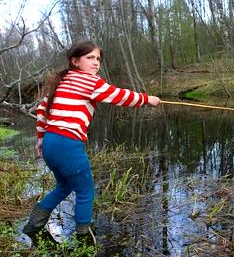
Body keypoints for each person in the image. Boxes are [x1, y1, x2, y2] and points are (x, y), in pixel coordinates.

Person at [23, 40, 161, 247]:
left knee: (64, 186)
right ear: (75, 61)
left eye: (98, 58)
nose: (96, 63)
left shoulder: (62, 82)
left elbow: (42, 110)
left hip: (52, 143)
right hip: (68, 143)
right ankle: (84, 239)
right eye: (90, 58)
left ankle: (33, 227)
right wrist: (147, 99)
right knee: (86, 191)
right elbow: (117, 95)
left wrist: (41, 139)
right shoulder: (88, 81)